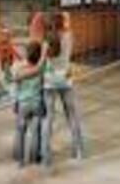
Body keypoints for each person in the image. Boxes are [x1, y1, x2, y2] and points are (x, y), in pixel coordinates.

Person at [41, 11, 85, 167]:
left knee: (48, 118)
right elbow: (67, 24)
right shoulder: (69, 36)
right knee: (72, 115)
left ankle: (46, 157)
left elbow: (42, 62)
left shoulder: (47, 40)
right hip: (65, 79)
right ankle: (79, 151)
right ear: (62, 22)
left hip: (49, 81)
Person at [12, 41, 48, 167]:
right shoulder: (41, 69)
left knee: (20, 131)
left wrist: (15, 102)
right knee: (36, 131)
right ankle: (35, 157)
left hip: (23, 104)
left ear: (27, 54)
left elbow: (16, 87)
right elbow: (44, 86)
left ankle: (20, 160)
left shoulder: (19, 68)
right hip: (37, 103)